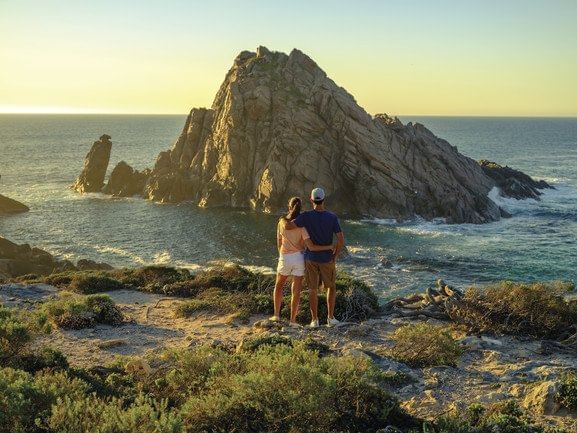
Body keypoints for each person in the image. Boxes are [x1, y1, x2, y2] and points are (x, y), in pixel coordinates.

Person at [285, 187, 344, 328]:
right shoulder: (332, 217)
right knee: (331, 288)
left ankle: (314, 320)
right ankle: (330, 318)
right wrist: (335, 256)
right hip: (327, 259)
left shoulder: (305, 216)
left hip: (311, 258)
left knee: (312, 289)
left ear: (311, 200)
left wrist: (291, 213)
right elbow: (341, 240)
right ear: (324, 199)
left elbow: (288, 226)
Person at [271, 197, 333, 326]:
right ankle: (293, 320)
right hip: (299, 258)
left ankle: (276, 315)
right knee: (296, 291)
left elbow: (279, 242)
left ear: (289, 207)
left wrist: (282, 255)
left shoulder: (281, 222)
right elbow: (310, 246)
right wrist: (329, 247)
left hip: (285, 257)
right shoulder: (302, 226)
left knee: (279, 286)